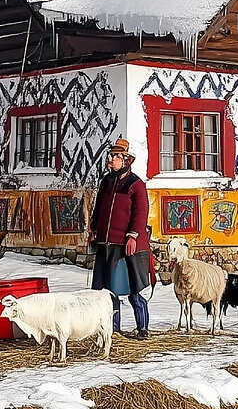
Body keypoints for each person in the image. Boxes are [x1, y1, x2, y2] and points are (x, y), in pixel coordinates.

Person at [88, 138, 152, 338]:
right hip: (106, 244)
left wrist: (133, 236)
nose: (111, 160)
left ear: (125, 160)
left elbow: (141, 214)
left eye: (115, 156)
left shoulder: (136, 185)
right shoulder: (107, 181)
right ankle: (113, 330)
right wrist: (93, 230)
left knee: (133, 287)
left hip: (128, 246)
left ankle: (142, 328)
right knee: (108, 289)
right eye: (111, 155)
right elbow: (98, 208)